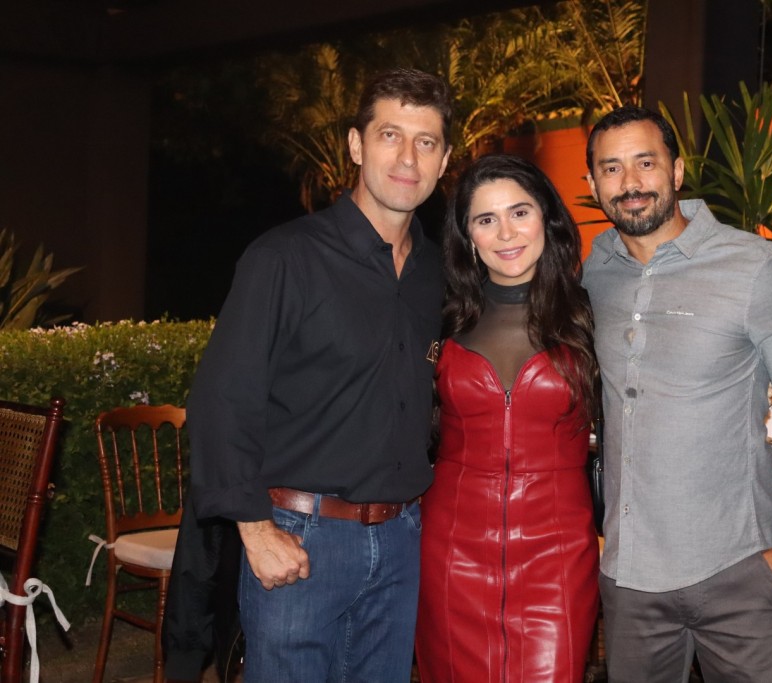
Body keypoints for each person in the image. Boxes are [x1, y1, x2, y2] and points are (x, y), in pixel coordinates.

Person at [185, 67, 452, 683]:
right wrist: (256, 532)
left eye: (426, 142)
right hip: (301, 543)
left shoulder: (436, 276)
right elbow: (223, 399)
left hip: (403, 541)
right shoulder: (285, 257)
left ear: (443, 162)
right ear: (357, 145)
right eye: (390, 135)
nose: (407, 158)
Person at [581, 105, 772, 683]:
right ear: (593, 185)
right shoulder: (594, 271)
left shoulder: (755, 267)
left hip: (740, 571)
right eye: (612, 169)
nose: (630, 183)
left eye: (646, 163)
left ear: (676, 171)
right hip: (629, 577)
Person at [415, 154, 601, 682]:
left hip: (557, 554)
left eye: (520, 212)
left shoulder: (593, 316)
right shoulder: (439, 317)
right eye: (486, 219)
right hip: (451, 550)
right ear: (468, 237)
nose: (506, 233)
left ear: (547, 218)